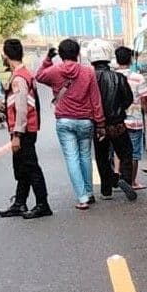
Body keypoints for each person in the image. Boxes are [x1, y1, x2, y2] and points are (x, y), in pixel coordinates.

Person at [36, 39, 106, 210]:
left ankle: (82, 197)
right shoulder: (88, 72)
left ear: (60, 54)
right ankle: (89, 193)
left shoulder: (54, 71)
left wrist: (47, 60)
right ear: (78, 53)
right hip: (85, 121)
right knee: (85, 157)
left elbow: (39, 76)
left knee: (72, 158)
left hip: (65, 121)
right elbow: (95, 99)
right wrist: (100, 122)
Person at [0, 39, 51, 219]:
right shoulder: (24, 74)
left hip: (24, 130)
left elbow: (21, 108)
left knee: (30, 166)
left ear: (6, 55)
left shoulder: (19, 78)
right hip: (27, 129)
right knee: (22, 167)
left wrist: (17, 135)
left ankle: (42, 204)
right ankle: (19, 203)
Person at [84, 39, 137, 201]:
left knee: (101, 156)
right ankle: (125, 179)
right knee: (126, 153)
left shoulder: (88, 78)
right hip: (117, 124)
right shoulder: (118, 77)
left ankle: (106, 189)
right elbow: (128, 98)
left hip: (97, 125)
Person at [114, 46, 147, 190]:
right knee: (134, 152)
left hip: (117, 120)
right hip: (135, 120)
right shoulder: (138, 78)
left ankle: (117, 176)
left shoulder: (112, 76)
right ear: (130, 59)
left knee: (119, 150)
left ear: (116, 59)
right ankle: (132, 181)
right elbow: (144, 100)